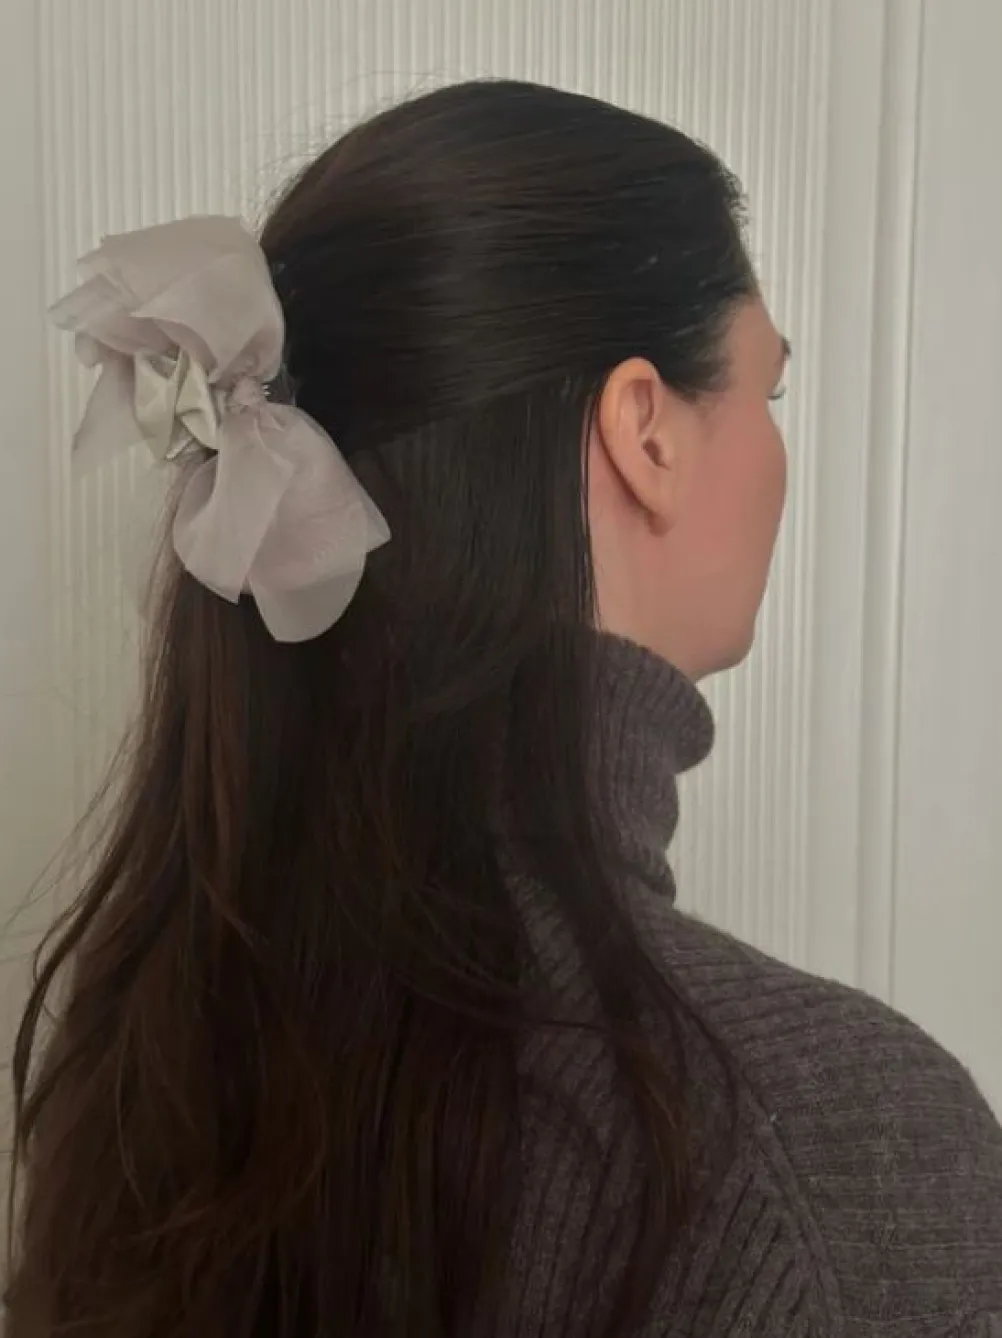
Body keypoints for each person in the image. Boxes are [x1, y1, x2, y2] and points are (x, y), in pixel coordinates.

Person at [6, 79, 1001, 1338]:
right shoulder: (841, 1146)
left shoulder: (148, 1059)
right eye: (770, 391)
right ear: (645, 430)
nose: (774, 449)